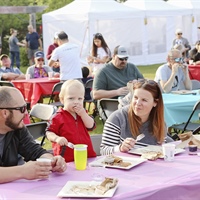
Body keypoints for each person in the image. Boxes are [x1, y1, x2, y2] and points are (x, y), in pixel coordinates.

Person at [0, 86, 66, 183]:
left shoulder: (17, 127)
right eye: (22, 109)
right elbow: (23, 170)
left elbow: (35, 151)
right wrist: (22, 171)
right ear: (5, 113)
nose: (27, 113)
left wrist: (52, 161)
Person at [100, 79, 173, 155]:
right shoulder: (117, 118)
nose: (138, 103)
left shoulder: (159, 123)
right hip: (123, 164)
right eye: (135, 98)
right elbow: (103, 151)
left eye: (144, 100)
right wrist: (120, 148)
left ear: (155, 102)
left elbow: (160, 150)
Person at [46, 80, 96, 162]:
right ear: (62, 100)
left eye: (80, 99)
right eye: (71, 98)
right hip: (66, 158)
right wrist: (57, 138)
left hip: (85, 154)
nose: (76, 102)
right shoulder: (57, 117)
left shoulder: (83, 114)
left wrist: (83, 114)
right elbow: (49, 133)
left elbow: (91, 125)